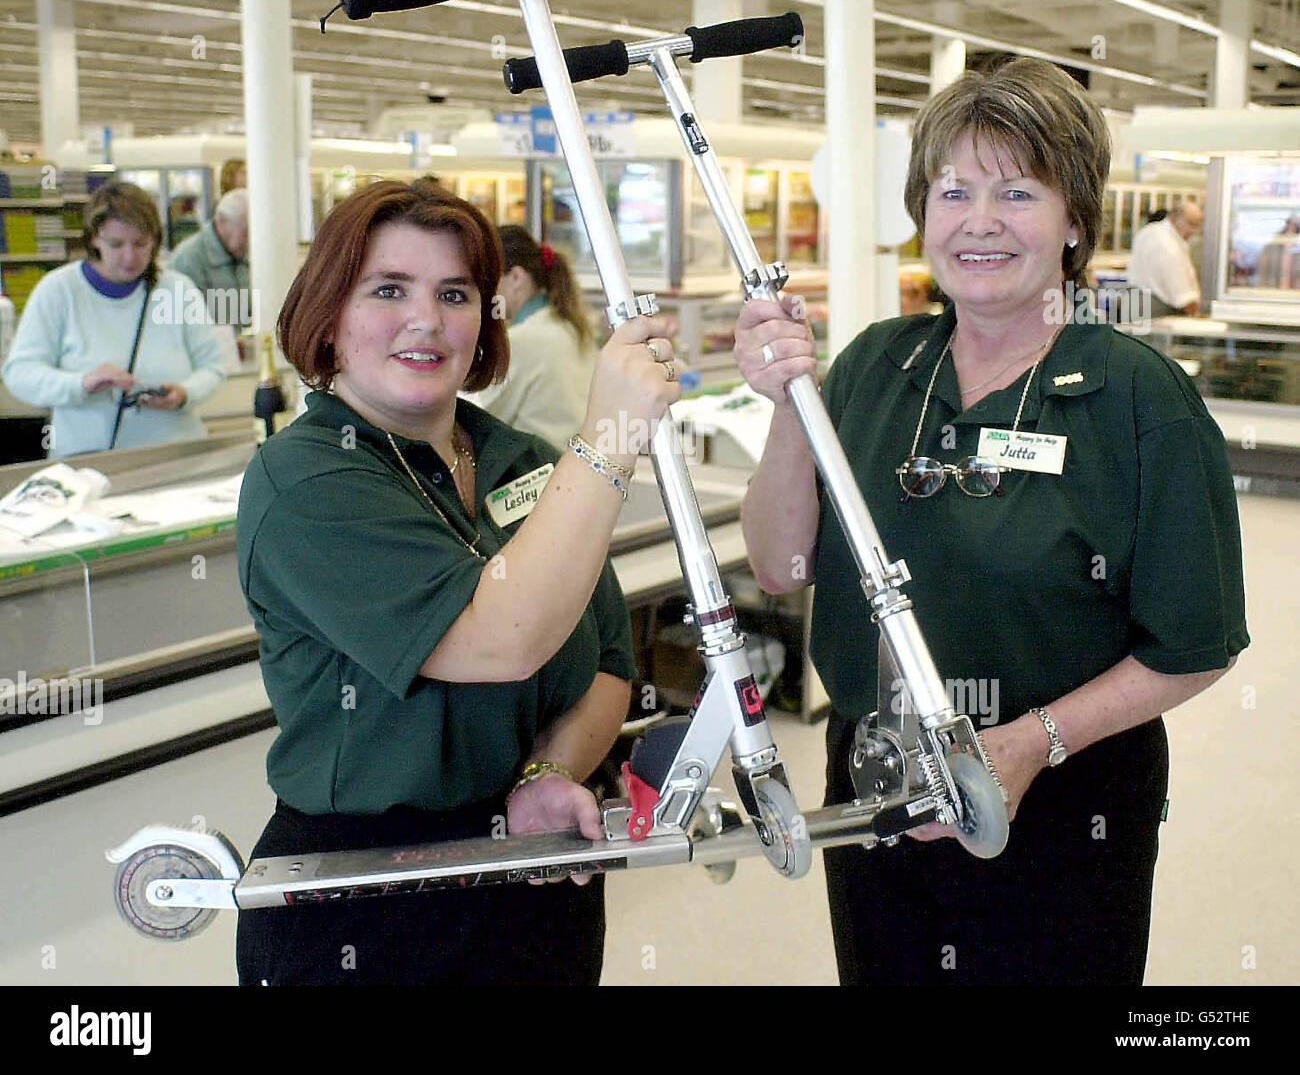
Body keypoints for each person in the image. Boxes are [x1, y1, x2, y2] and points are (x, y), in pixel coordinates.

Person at [735, 57, 1247, 986]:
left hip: (1062, 790)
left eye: (1018, 191)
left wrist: (1027, 744)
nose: (979, 221)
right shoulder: (873, 367)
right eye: (953, 191)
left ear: (1075, 222)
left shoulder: (1139, 399)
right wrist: (785, 405)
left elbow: (1195, 643)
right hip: (879, 782)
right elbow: (779, 567)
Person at [235, 179, 681, 985]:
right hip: (367, 902)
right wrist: (610, 437)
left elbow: (612, 660)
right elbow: (501, 638)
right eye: (388, 290)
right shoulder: (304, 483)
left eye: (455, 293)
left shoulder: (524, 461)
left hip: (538, 871)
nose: (427, 320)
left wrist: (550, 772)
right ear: (330, 315)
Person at [2, 181, 225, 457]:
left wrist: (185, 393)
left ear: (156, 240)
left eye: (141, 243)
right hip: (87, 465)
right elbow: (19, 374)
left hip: (174, 457)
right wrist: (82, 383)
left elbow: (213, 368)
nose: (130, 256)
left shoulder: (178, 289)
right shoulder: (58, 290)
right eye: (116, 244)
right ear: (94, 238)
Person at [463, 225, 597, 450]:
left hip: (539, 471)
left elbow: (481, 416)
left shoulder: (524, 340)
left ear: (516, 277)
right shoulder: (569, 326)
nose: (484, 295)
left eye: (488, 282)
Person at [168, 189, 252, 331]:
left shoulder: (244, 254)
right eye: (245, 232)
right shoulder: (187, 260)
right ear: (222, 221)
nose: (250, 240)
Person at [1126, 199, 1203, 317]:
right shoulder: (1166, 243)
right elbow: (1181, 295)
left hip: (1136, 303)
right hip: (1155, 309)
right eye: (1191, 224)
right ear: (1174, 217)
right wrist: (1196, 315)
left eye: (1197, 226)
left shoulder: (1151, 231)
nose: (1194, 231)